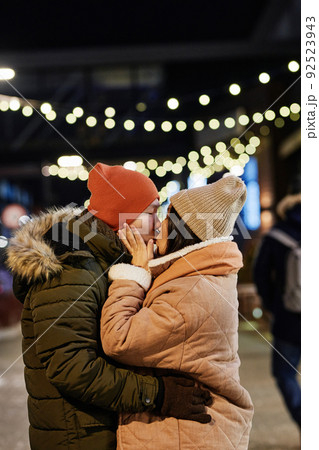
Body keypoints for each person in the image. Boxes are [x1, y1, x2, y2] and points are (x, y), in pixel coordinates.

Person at [6, 163, 212, 450]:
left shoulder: (104, 259)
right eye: (151, 212)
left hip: (93, 429)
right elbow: (71, 367)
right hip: (78, 437)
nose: (158, 224)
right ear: (121, 217)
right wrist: (159, 394)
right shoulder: (73, 265)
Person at [101, 175, 254, 450]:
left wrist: (133, 275)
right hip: (193, 432)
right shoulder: (197, 276)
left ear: (182, 231)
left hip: (185, 436)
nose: (158, 224)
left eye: (166, 217)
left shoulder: (189, 290)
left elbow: (118, 338)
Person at [254, 189, 301, 428]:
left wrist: (273, 306)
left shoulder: (276, 236)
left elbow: (261, 275)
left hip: (289, 318)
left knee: (284, 374)